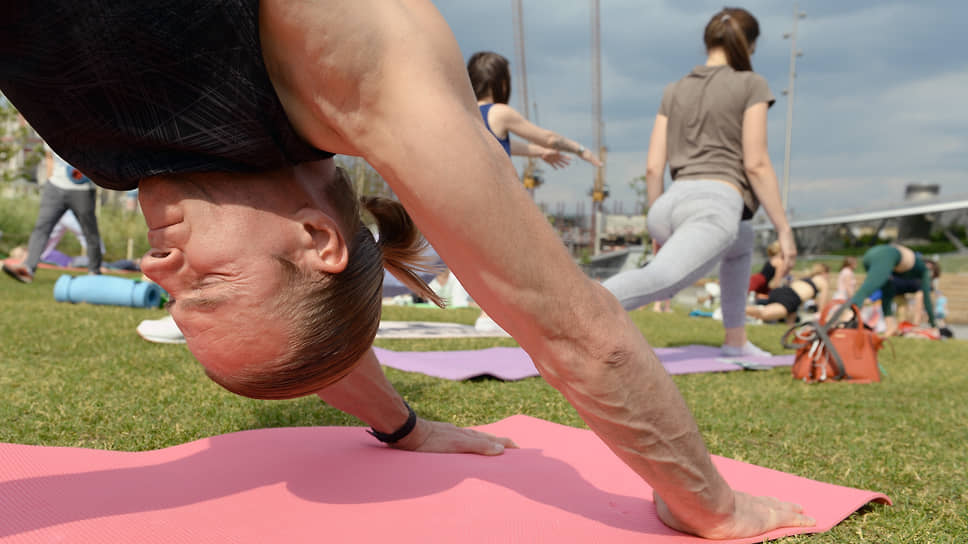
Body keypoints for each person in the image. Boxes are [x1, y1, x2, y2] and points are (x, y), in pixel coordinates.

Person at [1, 1, 813, 537]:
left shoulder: (118, 161)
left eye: (174, 293)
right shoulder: (358, 74)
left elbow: (296, 326)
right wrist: (712, 506)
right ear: (320, 238)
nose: (158, 264)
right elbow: (569, 327)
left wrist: (401, 424)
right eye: (204, 283)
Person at [601, 8, 796, 360]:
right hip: (713, 202)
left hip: (670, 203)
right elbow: (756, 163)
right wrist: (784, 229)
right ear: (749, 46)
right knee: (663, 279)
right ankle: (570, 316)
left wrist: (659, 226)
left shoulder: (674, 90)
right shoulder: (751, 84)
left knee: (741, 240)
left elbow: (652, 167)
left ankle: (736, 340)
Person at [467, 51, 602, 169]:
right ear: (501, 83)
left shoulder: (466, 112)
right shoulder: (499, 112)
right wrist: (581, 150)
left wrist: (540, 151)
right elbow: (549, 138)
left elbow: (498, 144)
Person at [2, 145, 103, 283]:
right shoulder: (52, 127)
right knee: (41, 228)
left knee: (89, 232)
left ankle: (94, 273)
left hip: (83, 188)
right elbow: (49, 157)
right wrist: (50, 180)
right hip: (55, 187)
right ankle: (28, 269)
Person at [834, 244, 939, 337]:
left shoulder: (908, 267)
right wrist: (934, 325)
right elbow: (926, 298)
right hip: (885, 256)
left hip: (870, 255)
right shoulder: (924, 270)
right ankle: (842, 322)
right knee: (866, 290)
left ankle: (890, 328)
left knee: (887, 293)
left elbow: (888, 295)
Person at [746, 264, 830, 324]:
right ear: (824, 272)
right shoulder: (822, 281)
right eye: (827, 273)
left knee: (791, 316)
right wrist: (821, 315)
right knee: (763, 313)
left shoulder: (808, 279)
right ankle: (737, 309)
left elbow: (795, 304)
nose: (828, 276)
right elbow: (822, 305)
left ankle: (790, 335)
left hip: (783, 291)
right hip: (790, 297)